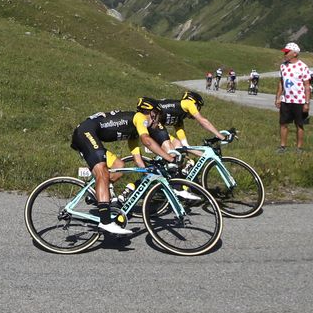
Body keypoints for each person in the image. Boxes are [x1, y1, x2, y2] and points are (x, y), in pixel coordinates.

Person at [70, 99, 183, 236]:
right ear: (151, 113)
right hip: (86, 132)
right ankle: (105, 221)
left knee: (119, 166)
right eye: (158, 116)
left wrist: (149, 170)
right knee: (103, 172)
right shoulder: (140, 118)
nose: (158, 122)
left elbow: (137, 159)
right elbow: (147, 141)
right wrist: (169, 158)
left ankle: (97, 193)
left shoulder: (133, 131)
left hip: (89, 133)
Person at [151, 89, 230, 153]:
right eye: (198, 107)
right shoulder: (188, 103)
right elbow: (203, 121)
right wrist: (222, 137)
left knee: (178, 146)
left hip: (154, 124)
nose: (198, 110)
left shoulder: (179, 117)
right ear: (194, 104)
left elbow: (186, 146)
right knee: (172, 153)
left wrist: (206, 156)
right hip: (151, 122)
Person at [276, 42, 312, 152]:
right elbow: (281, 83)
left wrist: (307, 103)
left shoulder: (303, 67)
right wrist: (278, 97)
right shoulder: (283, 66)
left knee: (299, 125)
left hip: (299, 101)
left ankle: (299, 147)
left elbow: (307, 86)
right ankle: (282, 146)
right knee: (283, 123)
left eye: (287, 52)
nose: (285, 54)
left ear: (295, 53)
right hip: (286, 100)